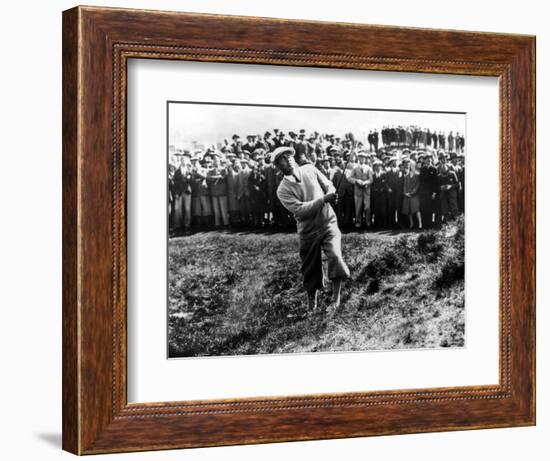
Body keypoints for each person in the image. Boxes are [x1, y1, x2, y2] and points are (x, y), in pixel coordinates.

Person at [274, 146, 350, 311]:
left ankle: (335, 301)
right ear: (278, 166)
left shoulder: (309, 169)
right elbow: (300, 210)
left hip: (328, 222)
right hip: (308, 231)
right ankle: (312, 306)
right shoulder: (282, 190)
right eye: (283, 160)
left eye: (289, 157)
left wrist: (331, 192)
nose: (288, 160)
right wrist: (323, 199)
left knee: (336, 257)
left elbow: (328, 184)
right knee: (310, 269)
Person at [349, 152, 373, 228]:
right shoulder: (355, 168)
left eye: (364, 157)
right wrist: (356, 181)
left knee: (367, 207)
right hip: (358, 190)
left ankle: (368, 222)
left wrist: (366, 182)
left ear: (365, 159)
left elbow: (371, 179)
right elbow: (349, 178)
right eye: (360, 157)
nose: (362, 159)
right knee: (358, 207)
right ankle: (358, 222)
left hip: (366, 190)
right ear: (358, 158)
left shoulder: (369, 168)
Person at [401, 159, 422, 229]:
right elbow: (404, 185)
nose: (411, 167)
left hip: (414, 195)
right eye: (410, 166)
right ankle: (411, 224)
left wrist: (412, 192)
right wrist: (405, 193)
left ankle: (420, 223)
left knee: (416, 210)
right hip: (407, 195)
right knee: (409, 210)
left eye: (413, 166)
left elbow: (417, 185)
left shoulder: (417, 175)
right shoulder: (407, 176)